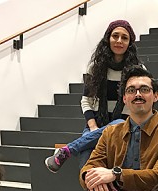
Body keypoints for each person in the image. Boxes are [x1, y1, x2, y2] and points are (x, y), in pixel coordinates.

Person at [45, 20, 140, 173]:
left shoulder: (137, 70)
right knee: (86, 162)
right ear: (108, 38)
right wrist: (94, 127)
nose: (119, 41)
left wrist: (105, 130)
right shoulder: (95, 67)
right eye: (115, 36)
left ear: (130, 43)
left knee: (118, 123)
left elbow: (136, 104)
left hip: (125, 125)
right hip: (96, 121)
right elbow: (86, 100)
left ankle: (67, 151)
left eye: (124, 37)